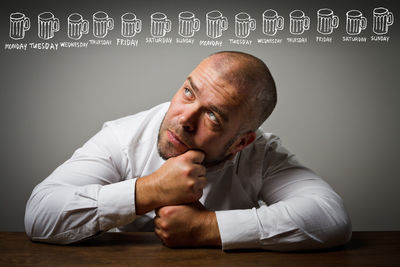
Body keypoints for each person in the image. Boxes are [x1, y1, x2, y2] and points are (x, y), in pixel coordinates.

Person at [24, 51, 351, 251]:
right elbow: (40, 216)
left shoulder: (261, 154)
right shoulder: (123, 138)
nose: (183, 120)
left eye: (213, 115)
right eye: (188, 92)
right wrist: (148, 190)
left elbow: (330, 219)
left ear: (241, 142)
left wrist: (206, 228)